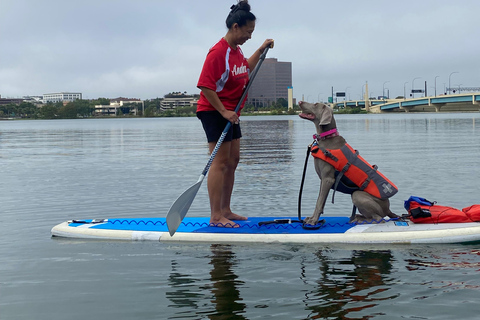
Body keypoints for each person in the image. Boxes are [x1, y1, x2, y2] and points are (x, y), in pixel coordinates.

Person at [196, 0, 274, 227]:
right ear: (235, 27)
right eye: (248, 32)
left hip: (232, 111)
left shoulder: (236, 51)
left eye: (253, 33)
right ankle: (215, 216)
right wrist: (223, 111)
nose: (249, 36)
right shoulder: (217, 52)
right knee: (219, 163)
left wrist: (260, 50)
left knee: (233, 161)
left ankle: (226, 210)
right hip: (214, 111)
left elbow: (244, 69)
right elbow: (205, 85)